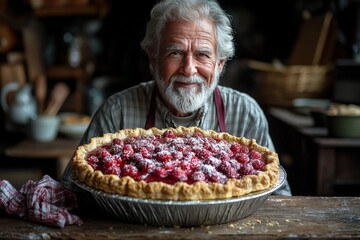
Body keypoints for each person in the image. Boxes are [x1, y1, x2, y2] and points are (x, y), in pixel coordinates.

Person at [61, 0, 291, 196]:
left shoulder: (246, 114)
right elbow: (72, 192)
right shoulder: (117, 113)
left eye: (202, 55)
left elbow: (279, 200)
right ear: (153, 58)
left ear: (220, 65)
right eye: (175, 53)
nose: (188, 69)